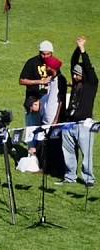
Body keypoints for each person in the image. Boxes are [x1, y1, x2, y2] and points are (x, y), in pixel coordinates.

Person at [61, 36, 96, 187]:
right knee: (68, 151)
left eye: (77, 75)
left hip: (84, 125)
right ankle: (70, 177)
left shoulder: (91, 84)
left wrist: (83, 50)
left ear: (84, 76)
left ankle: (89, 179)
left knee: (86, 153)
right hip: (69, 123)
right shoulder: (76, 83)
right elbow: (73, 63)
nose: (74, 77)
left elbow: (88, 67)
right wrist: (77, 49)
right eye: (74, 74)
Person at [20, 41, 54, 157]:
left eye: (48, 54)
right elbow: (22, 80)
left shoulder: (54, 63)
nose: (45, 56)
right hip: (33, 99)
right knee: (32, 129)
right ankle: (31, 156)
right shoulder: (32, 62)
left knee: (45, 130)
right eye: (43, 54)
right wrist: (39, 81)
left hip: (48, 101)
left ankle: (42, 156)